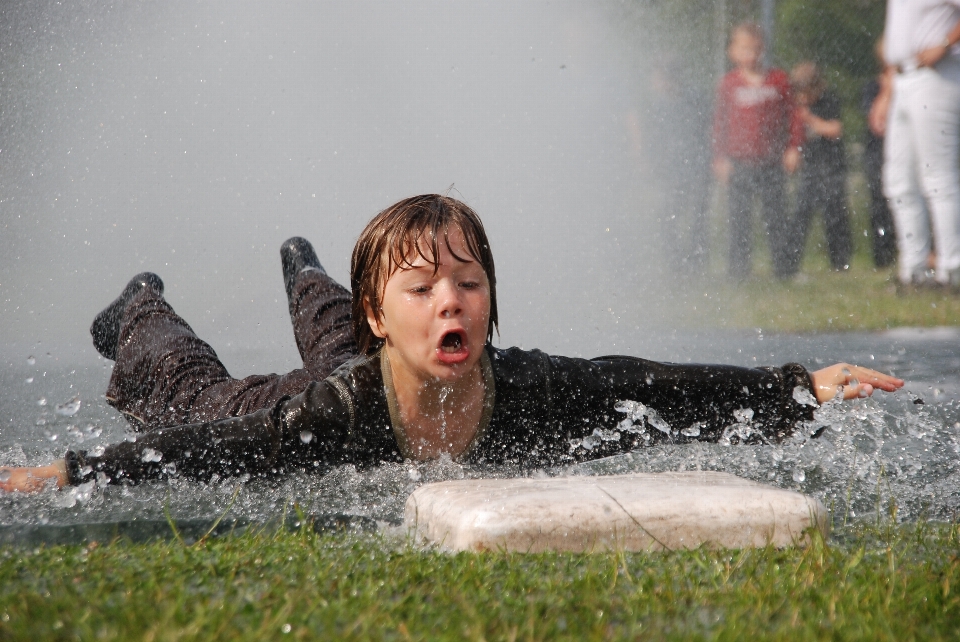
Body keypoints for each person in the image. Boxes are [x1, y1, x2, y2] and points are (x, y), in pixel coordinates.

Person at [0, 194, 903, 493]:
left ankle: (303, 270)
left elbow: (647, 387)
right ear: (386, 307)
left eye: (468, 283)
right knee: (196, 389)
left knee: (339, 341)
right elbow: (203, 452)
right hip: (307, 392)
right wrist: (75, 472)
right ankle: (144, 306)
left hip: (364, 350)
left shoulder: (533, 390)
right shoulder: (328, 420)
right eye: (425, 287)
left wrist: (798, 388)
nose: (451, 301)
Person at [870, 1, 960, 289]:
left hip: (937, 75)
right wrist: (887, 90)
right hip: (902, 77)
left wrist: (945, 42)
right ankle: (914, 270)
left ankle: (952, 269)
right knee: (899, 181)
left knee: (938, 177)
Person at [712, 23, 804, 281]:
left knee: (776, 217)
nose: (749, 54)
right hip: (739, 162)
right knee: (738, 219)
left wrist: (794, 147)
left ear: (762, 49)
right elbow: (719, 121)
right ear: (732, 51)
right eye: (743, 48)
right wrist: (719, 157)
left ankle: (784, 271)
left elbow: (794, 115)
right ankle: (739, 272)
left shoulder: (778, 80)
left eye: (754, 48)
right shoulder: (728, 84)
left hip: (772, 161)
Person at [789, 62, 852, 273]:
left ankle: (840, 262)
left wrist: (811, 120)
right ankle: (791, 262)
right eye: (800, 94)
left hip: (831, 167)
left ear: (818, 88)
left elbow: (835, 129)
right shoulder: (793, 105)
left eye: (807, 94)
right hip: (809, 167)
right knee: (800, 215)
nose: (804, 99)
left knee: (834, 215)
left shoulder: (828, 100)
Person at [862, 40, 898, 269]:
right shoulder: (873, 87)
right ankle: (882, 257)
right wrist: (888, 89)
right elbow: (877, 122)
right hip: (879, 154)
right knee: (880, 206)